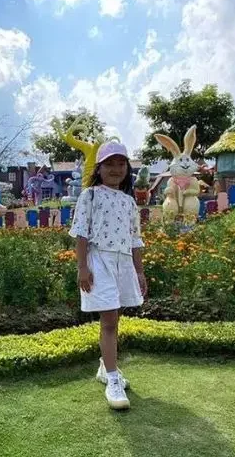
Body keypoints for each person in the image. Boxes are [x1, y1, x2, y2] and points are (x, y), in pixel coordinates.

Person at [69, 141, 147, 411]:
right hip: (99, 260)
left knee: (115, 317)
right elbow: (81, 232)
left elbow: (136, 239)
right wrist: (82, 266)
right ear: (99, 168)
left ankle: (106, 367)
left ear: (127, 168)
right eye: (110, 164)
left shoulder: (129, 201)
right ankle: (113, 378)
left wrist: (139, 271)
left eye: (121, 163)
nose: (116, 169)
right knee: (109, 319)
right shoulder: (89, 195)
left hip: (123, 263)